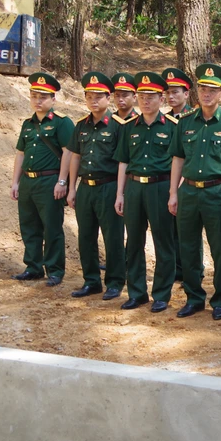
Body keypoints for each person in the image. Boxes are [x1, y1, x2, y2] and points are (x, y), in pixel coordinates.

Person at [168, 63, 221, 321]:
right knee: (188, 247)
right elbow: (178, 159)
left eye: (213, 90)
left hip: (217, 193)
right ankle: (194, 298)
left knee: (219, 249)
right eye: (203, 88)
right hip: (189, 192)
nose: (207, 93)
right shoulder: (185, 122)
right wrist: (173, 193)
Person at [114, 72, 178, 312]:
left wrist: (174, 192)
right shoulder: (129, 127)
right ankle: (137, 292)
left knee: (163, 242)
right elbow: (122, 161)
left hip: (160, 188)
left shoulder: (172, 127)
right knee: (133, 242)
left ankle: (161, 294)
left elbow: (177, 162)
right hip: (133, 188)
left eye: (150, 97)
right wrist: (120, 194)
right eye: (141, 96)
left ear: (161, 99)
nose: (145, 101)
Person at [65, 72, 128, 301]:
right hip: (86, 188)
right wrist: (72, 188)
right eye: (89, 96)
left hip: (108, 186)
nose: (93, 101)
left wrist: (120, 193)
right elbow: (75, 157)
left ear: (108, 98)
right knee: (86, 237)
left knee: (112, 237)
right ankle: (91, 281)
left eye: (98, 96)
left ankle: (114, 282)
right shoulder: (81, 125)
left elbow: (123, 161)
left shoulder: (118, 126)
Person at [10, 72, 74, 287]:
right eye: (34, 96)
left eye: (43, 97)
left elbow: (68, 152)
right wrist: (15, 182)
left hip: (50, 181)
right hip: (28, 181)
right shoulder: (27, 124)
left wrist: (62, 181)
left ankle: (55, 270)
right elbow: (20, 153)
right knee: (29, 226)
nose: (38, 101)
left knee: (52, 227)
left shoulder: (61, 123)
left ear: (53, 99)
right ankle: (33, 267)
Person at [162, 66, 194, 282]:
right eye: (168, 93)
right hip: (164, 181)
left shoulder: (193, 119)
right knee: (168, 228)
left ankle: (189, 270)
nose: (171, 96)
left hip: (186, 182)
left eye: (176, 92)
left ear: (187, 93)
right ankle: (174, 269)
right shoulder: (162, 120)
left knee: (186, 230)